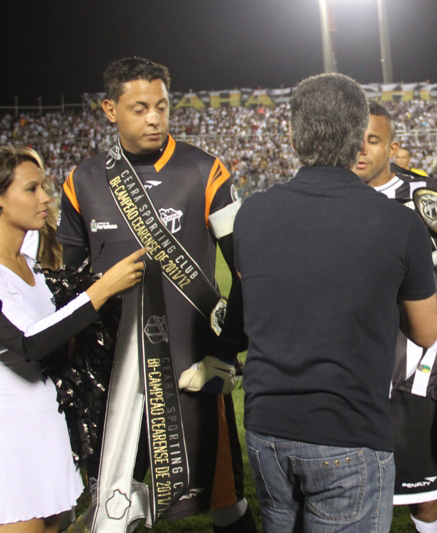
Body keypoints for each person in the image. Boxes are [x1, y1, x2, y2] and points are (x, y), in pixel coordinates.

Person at [56, 57, 256, 532]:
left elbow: (249, 271)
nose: (154, 118)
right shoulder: (80, 181)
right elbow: (71, 288)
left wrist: (226, 352)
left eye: (161, 106)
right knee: (112, 505)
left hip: (192, 368)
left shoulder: (205, 171)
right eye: (140, 107)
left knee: (225, 500)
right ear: (109, 109)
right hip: (112, 376)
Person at [235, 73, 437, 532]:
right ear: (356, 139)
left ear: (292, 136)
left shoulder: (253, 211)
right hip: (348, 428)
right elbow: (427, 332)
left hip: (267, 426)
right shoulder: (398, 223)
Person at [0, 146, 146, 533]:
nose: (46, 197)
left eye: (44, 187)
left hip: (49, 435)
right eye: (31, 189)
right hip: (10, 446)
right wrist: (101, 291)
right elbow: (29, 342)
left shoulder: (31, 268)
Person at [352, 100, 437, 533]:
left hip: (411, 380)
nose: (361, 149)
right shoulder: (332, 196)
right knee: (353, 501)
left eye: (373, 140)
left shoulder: (423, 198)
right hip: (346, 380)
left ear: (392, 146)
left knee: (423, 502)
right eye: (354, 138)